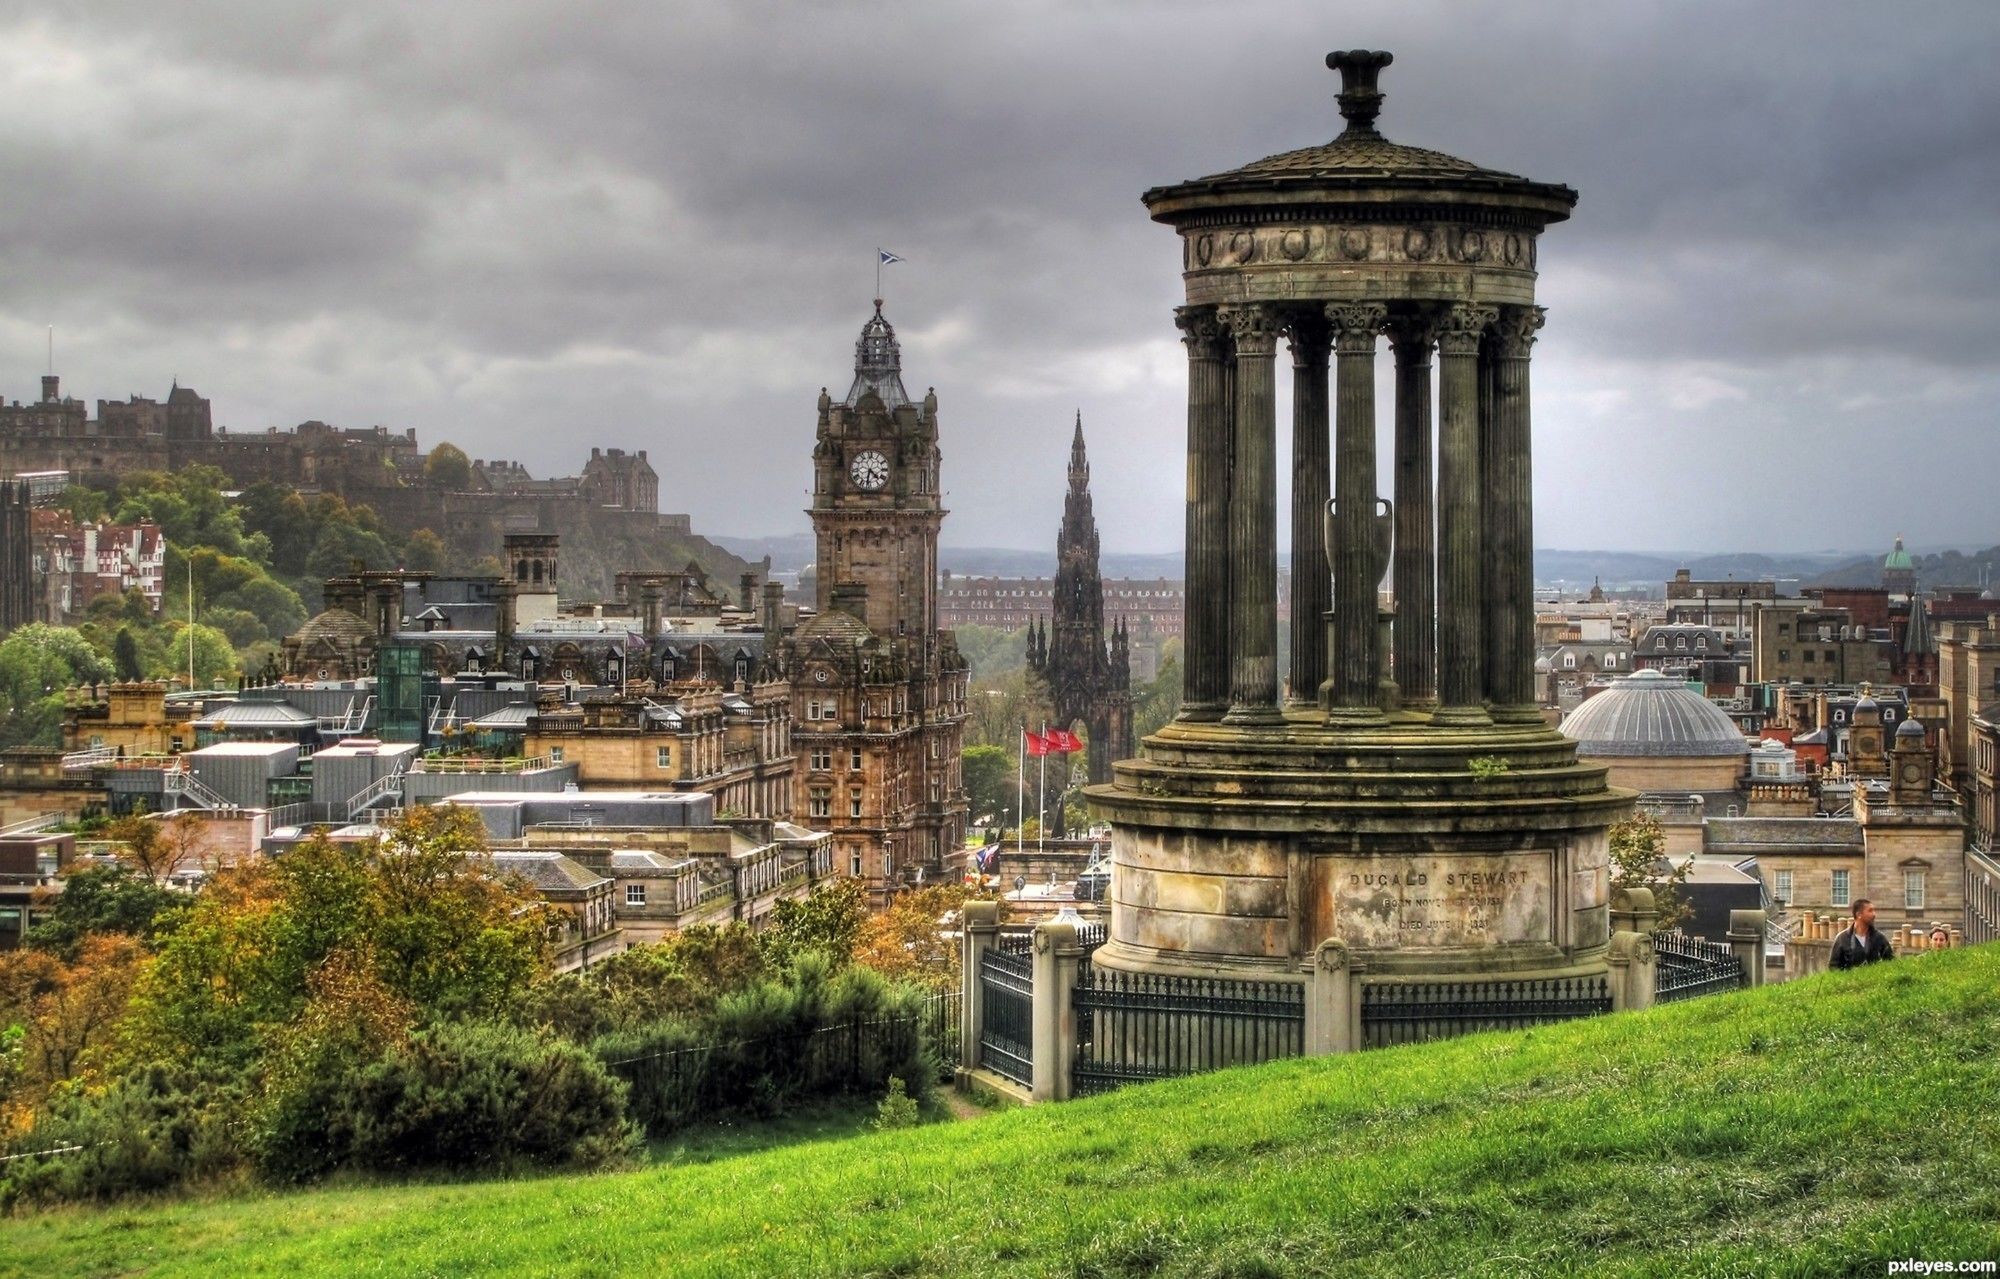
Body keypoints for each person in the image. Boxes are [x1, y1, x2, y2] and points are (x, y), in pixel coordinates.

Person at [1829, 898, 1894, 970]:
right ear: (1859, 915)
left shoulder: (1879, 937)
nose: (1874, 914)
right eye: (1870, 911)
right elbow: (1833, 967)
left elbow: (1891, 963)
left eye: (1874, 910)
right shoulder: (1842, 938)